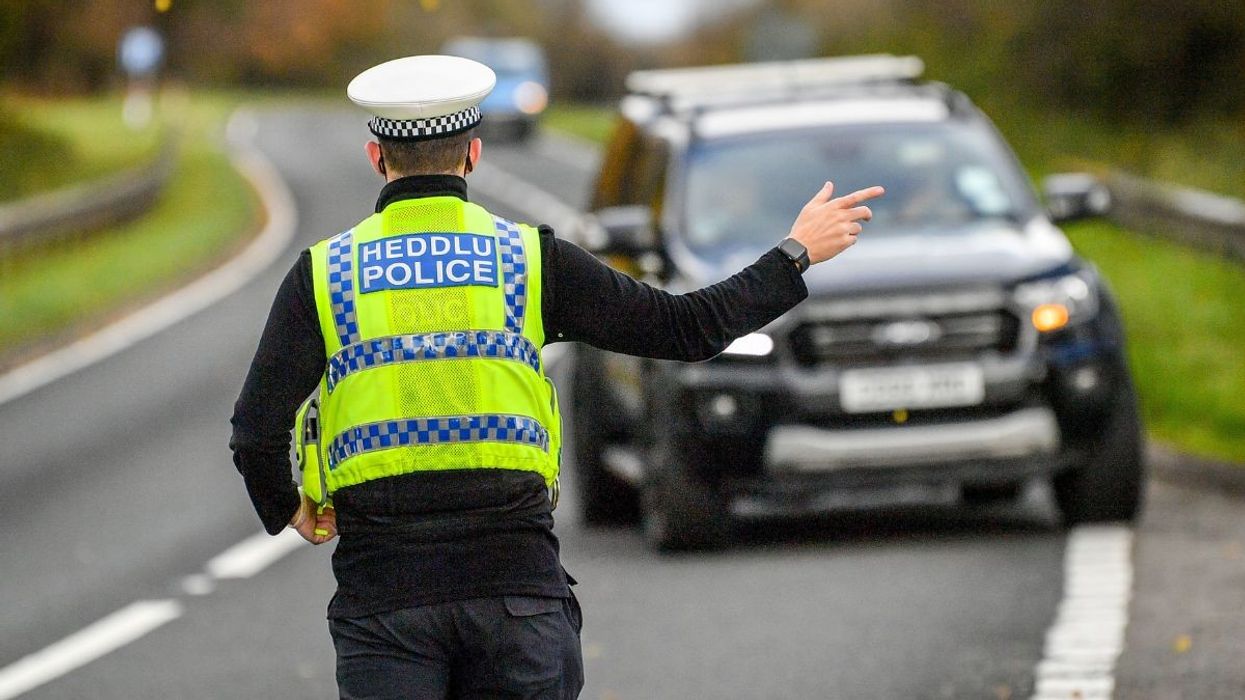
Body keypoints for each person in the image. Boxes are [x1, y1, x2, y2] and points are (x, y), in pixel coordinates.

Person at [229, 55, 883, 700]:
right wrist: (794, 254)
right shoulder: (529, 261)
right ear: (473, 155)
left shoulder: (325, 275)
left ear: (377, 158)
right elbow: (687, 329)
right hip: (515, 594)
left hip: (384, 601)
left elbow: (255, 432)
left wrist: (288, 508)